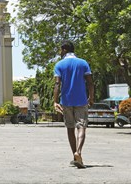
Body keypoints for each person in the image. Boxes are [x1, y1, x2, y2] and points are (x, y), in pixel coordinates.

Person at [53, 40, 94, 168]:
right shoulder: (83, 63)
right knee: (81, 127)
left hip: (66, 100)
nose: (60, 52)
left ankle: (75, 155)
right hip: (81, 100)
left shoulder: (59, 65)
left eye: (61, 50)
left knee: (70, 128)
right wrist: (91, 97)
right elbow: (90, 82)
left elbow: (57, 84)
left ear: (64, 50)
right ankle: (78, 153)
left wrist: (55, 101)